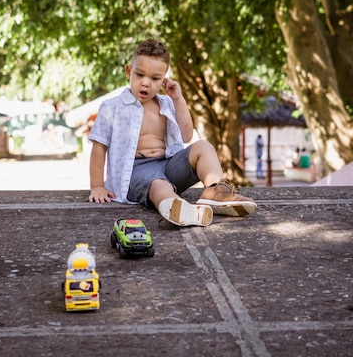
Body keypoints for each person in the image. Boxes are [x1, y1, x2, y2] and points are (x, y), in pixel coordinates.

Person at [88, 38, 257, 227]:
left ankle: (215, 191)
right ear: (129, 72)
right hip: (135, 171)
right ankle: (179, 209)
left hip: (168, 164)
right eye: (140, 75)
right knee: (160, 185)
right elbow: (99, 147)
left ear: (163, 80)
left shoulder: (166, 104)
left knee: (203, 146)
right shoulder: (112, 107)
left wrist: (178, 99)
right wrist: (97, 186)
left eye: (154, 78)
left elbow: (186, 136)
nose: (146, 83)